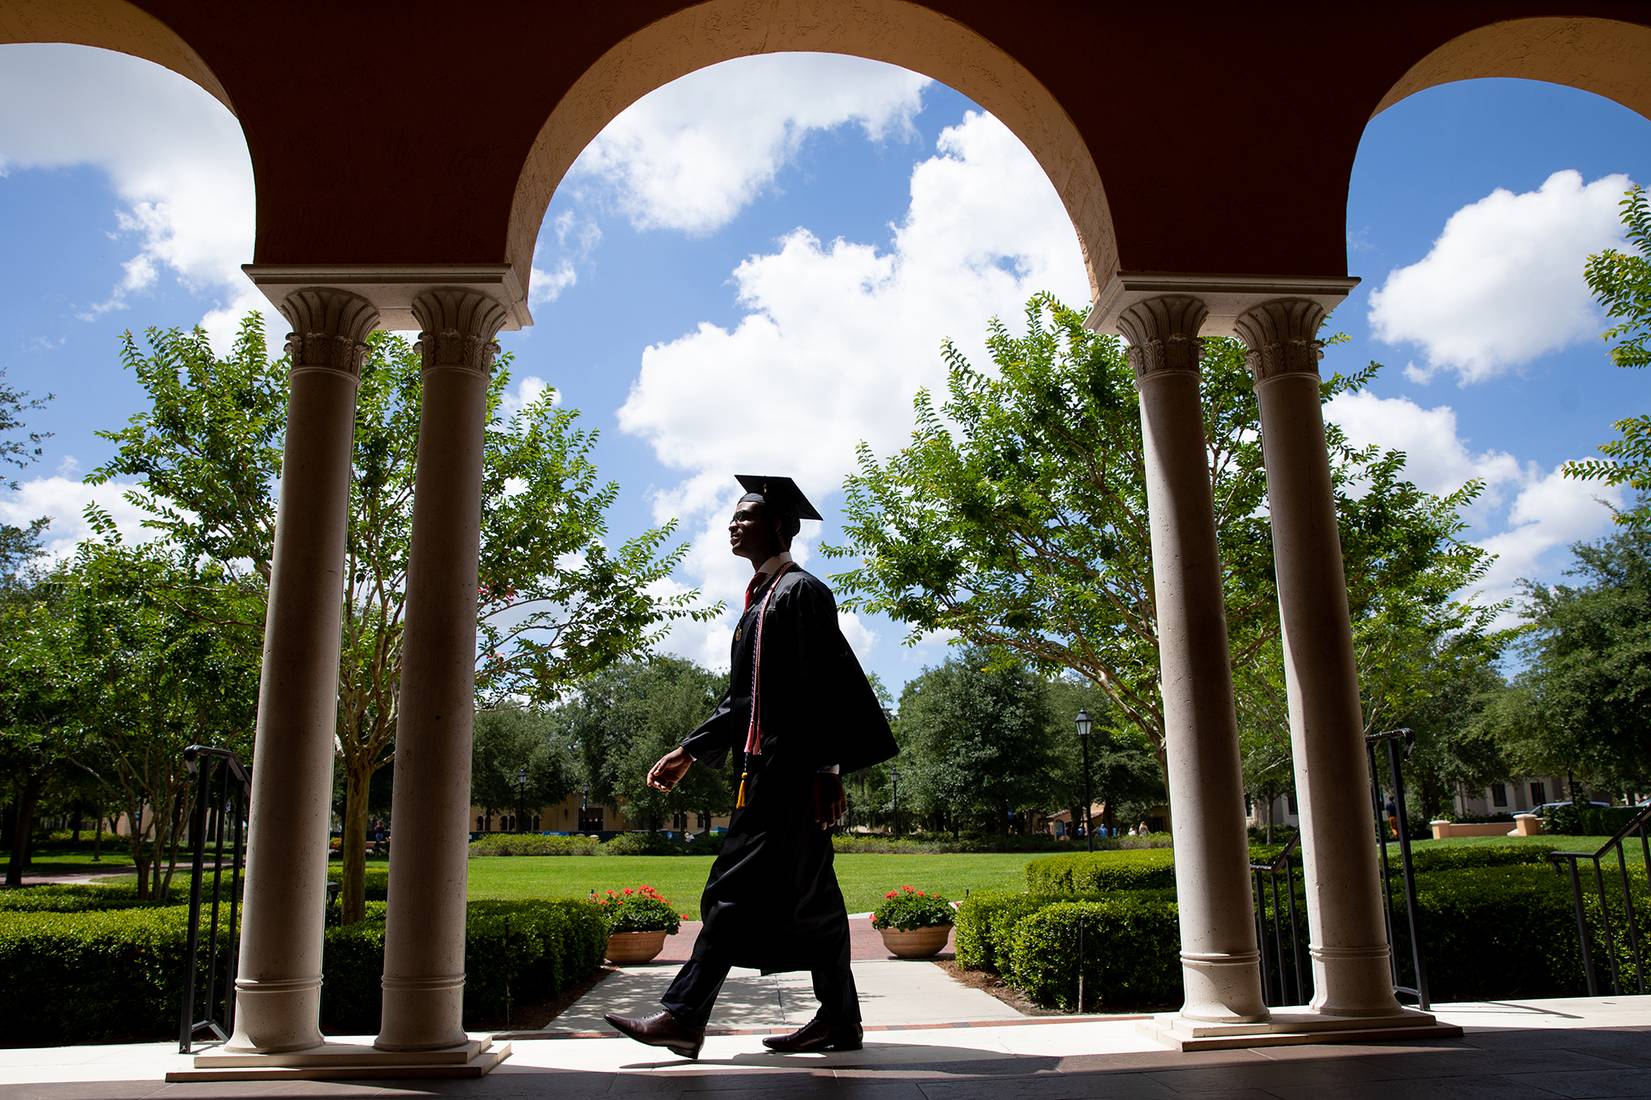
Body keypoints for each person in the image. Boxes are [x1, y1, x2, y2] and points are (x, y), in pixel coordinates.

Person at [604, 476, 897, 1060]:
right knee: (816, 903)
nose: (734, 525)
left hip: (789, 777)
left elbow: (825, 688)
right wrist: (691, 749)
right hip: (770, 771)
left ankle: (684, 1017)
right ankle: (840, 1021)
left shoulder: (800, 594)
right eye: (733, 517)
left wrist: (829, 771)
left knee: (730, 891)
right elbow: (745, 700)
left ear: (781, 526)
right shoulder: (763, 600)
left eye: (748, 517)